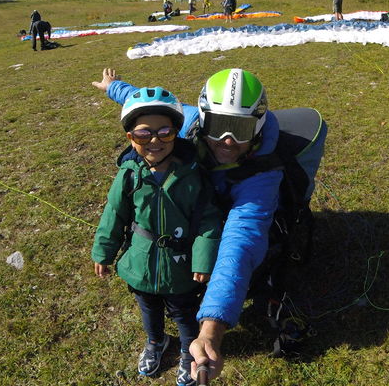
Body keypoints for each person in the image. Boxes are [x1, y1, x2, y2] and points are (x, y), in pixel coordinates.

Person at [93, 68, 283, 382]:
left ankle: (184, 345)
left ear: (259, 126)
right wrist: (114, 87)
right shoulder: (190, 122)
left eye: (241, 129)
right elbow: (146, 105)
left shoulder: (263, 175)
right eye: (219, 126)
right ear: (204, 118)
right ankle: (157, 339)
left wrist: (210, 330)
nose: (227, 139)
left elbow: (240, 243)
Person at [92, 87, 222, 385]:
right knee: (148, 307)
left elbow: (208, 219)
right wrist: (103, 252)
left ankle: (189, 352)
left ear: (176, 133)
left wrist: (203, 259)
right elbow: (114, 214)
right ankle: (155, 341)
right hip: (141, 262)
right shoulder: (129, 174)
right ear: (130, 138)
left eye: (165, 132)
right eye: (143, 134)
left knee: (184, 312)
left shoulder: (192, 173)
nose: (155, 141)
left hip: (181, 265)